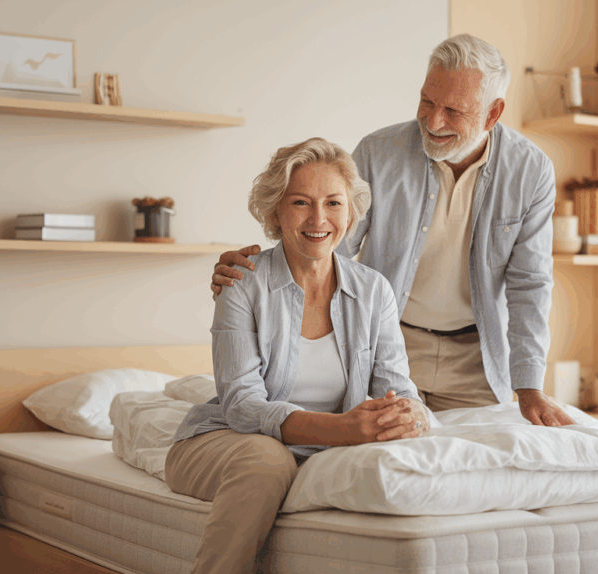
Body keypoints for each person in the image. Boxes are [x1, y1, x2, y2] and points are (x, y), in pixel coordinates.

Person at [212, 34, 574, 427]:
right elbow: (329, 242)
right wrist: (257, 276)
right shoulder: (378, 151)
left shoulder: (530, 171)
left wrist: (529, 386)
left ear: (491, 114)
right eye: (427, 102)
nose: (433, 122)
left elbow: (530, 284)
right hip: (391, 345)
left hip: (477, 356)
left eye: (453, 111)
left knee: (475, 472)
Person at [168, 137, 431, 574]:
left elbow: (400, 389)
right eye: (300, 203)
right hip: (223, 441)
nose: (319, 219)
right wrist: (343, 429)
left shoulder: (373, 291)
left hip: (329, 442)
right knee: (269, 460)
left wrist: (410, 418)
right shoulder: (242, 283)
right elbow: (241, 406)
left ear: (351, 212)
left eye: (333, 203)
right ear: (275, 211)